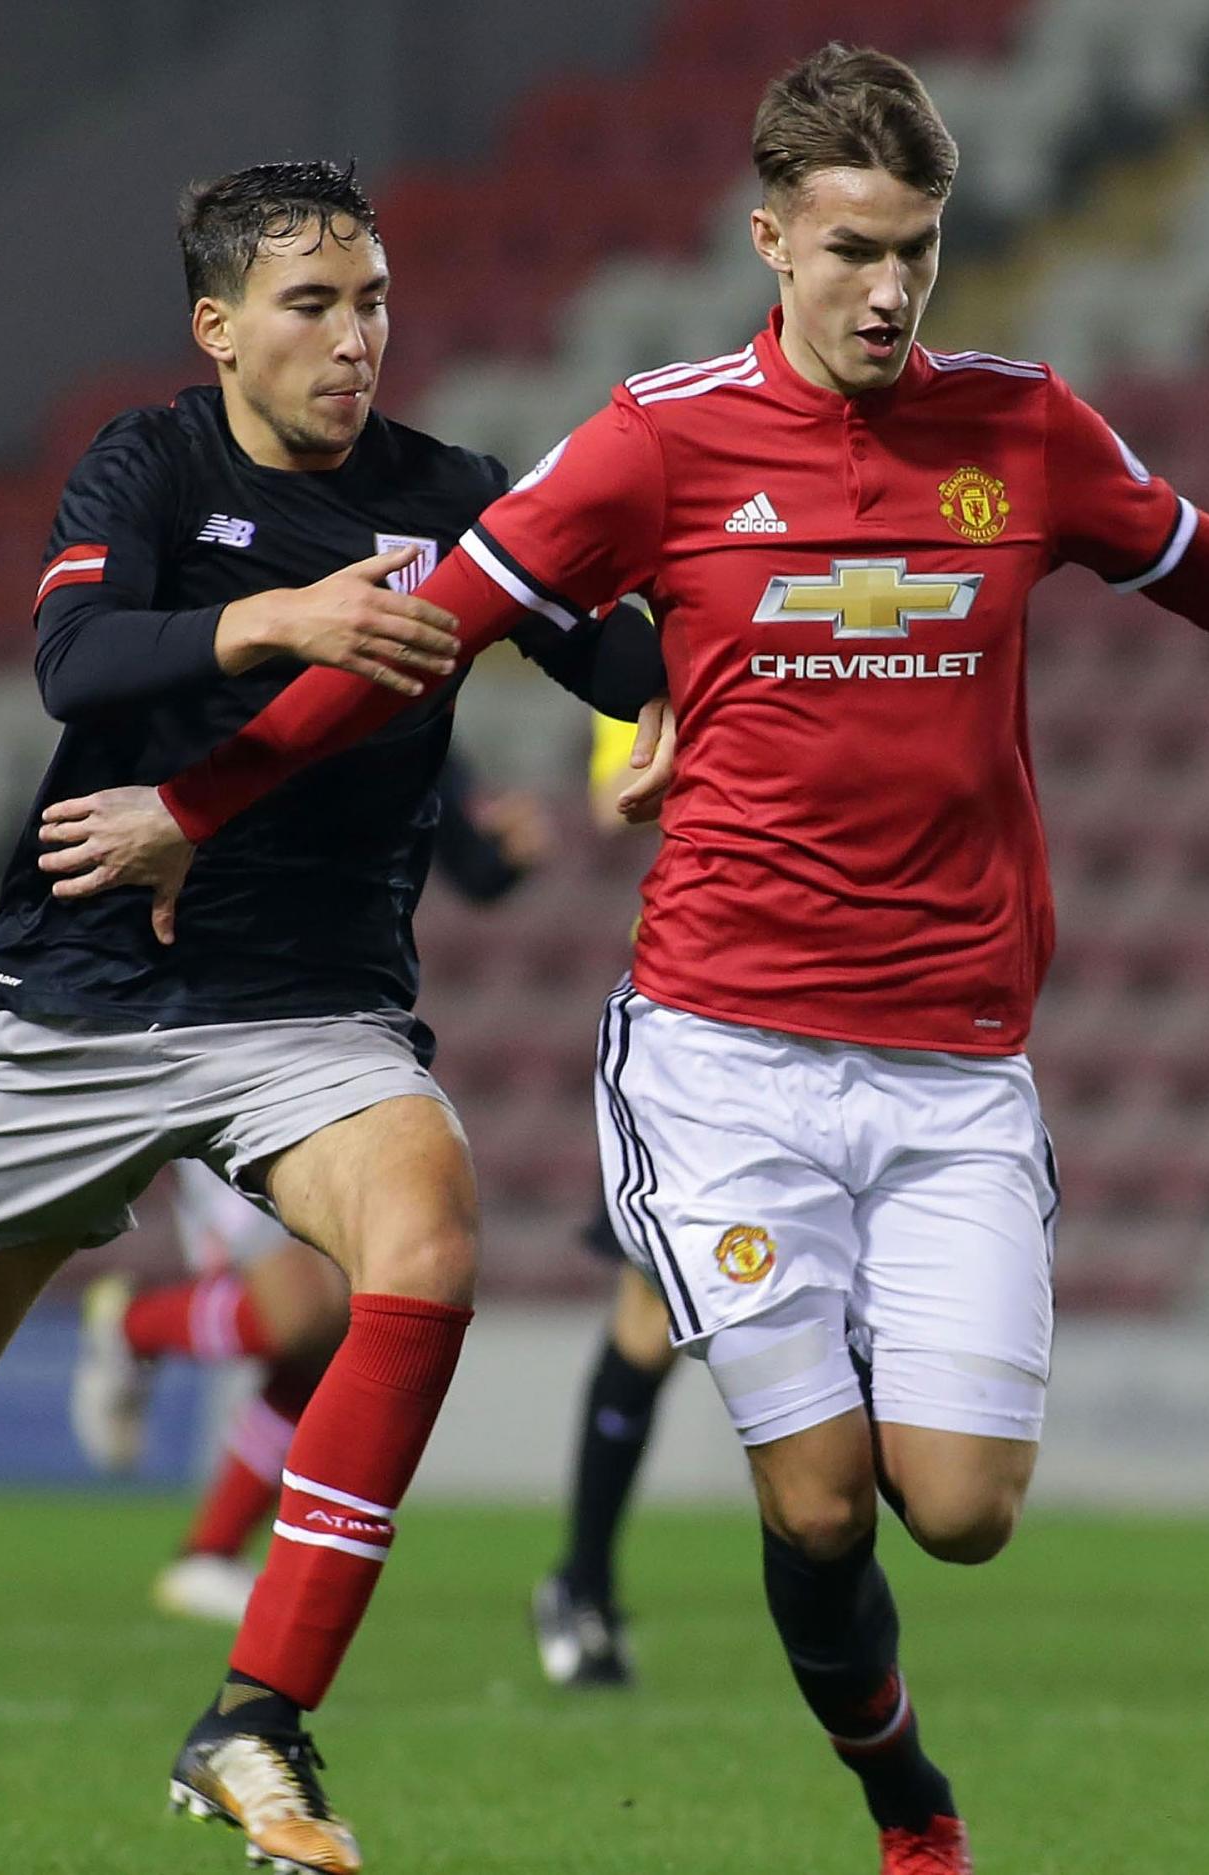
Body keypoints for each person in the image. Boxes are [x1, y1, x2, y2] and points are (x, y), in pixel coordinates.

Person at [31, 49, 1209, 1875]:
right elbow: (427, 635)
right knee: (818, 1507)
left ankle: (849, 1603)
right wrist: (201, 803)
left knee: (957, 1514)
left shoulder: (1026, 429)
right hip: (725, 1058)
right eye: (857, 250)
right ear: (771, 243)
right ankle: (914, 1813)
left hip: (957, 1061)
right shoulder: (656, 439)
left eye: (922, 251)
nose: (892, 290)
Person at [0, 160, 669, 1875]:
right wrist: (281, 619)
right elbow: (78, 666)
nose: (353, 339)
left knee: (427, 1243)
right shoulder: (151, 461)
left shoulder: (454, 499)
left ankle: (259, 1719)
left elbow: (619, 655)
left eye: (374, 300)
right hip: (87, 995)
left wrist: (694, 693)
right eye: (312, 306)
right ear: (219, 327)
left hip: (313, 1009)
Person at [68, 756, 555, 1625]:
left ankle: (208, 1551)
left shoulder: (414, 699)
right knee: (309, 1310)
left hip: (337, 1035)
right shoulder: (241, 678)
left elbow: (469, 864)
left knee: (336, 1319)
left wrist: (506, 855)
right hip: (221, 1025)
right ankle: (136, 1325)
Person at [530, 714, 682, 1689]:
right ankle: (581, 1582)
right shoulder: (685, 599)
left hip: (866, 997)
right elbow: (613, 794)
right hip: (702, 1006)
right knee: (650, 1308)